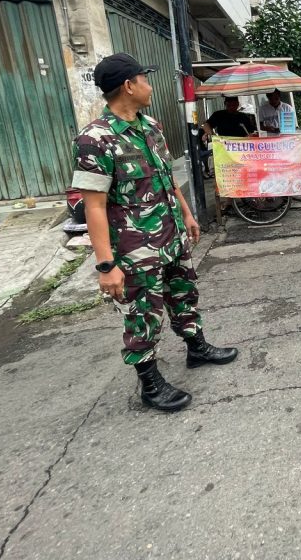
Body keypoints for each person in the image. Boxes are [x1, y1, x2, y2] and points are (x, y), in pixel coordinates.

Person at [72, 53, 237, 413]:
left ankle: (196, 348)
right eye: (144, 79)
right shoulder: (94, 140)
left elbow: (167, 178)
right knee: (144, 312)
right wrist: (106, 265)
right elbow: (94, 206)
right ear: (128, 86)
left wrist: (188, 214)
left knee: (184, 293)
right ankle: (150, 383)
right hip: (135, 248)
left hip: (171, 234)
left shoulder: (151, 127)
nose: (150, 86)